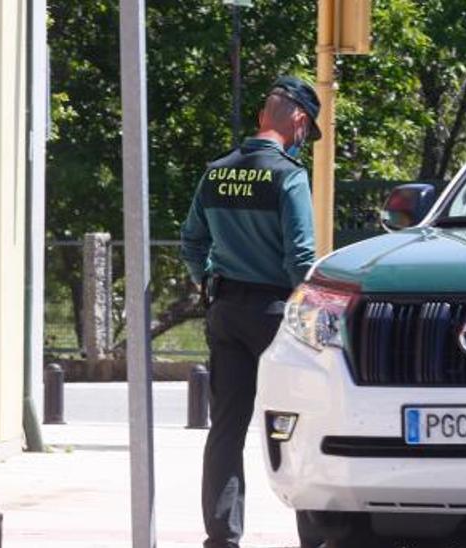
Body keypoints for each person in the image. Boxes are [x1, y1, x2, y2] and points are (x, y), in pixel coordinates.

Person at [180, 76, 320, 548]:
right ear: (299, 120)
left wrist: (206, 281)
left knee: (226, 429)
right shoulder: (289, 175)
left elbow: (192, 239)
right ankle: (316, 535)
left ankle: (221, 535)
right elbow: (302, 259)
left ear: (264, 116)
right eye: (307, 130)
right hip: (276, 315)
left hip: (226, 310)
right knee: (301, 428)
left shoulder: (216, 171)